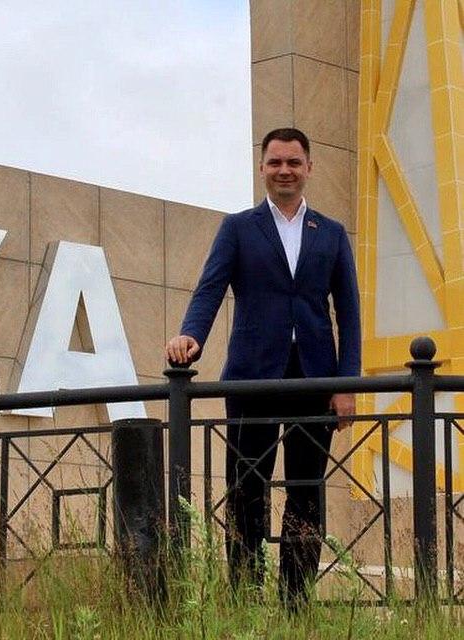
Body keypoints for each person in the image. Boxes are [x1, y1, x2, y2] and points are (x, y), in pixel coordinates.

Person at [165, 127, 360, 607]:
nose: (284, 171)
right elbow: (210, 289)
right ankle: (245, 598)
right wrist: (191, 334)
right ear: (262, 168)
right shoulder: (238, 228)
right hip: (251, 378)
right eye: (275, 162)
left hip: (314, 379)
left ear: (309, 167)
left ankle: (296, 602)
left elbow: (349, 313)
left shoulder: (332, 233)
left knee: (306, 492)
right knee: (247, 488)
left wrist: (346, 384)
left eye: (293, 162)